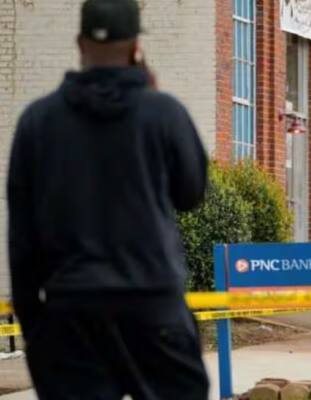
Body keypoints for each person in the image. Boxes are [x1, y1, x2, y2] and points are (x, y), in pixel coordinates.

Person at [7, 1, 209, 398]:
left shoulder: (38, 122)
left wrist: (37, 329)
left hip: (72, 309)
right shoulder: (163, 113)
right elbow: (191, 193)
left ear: (80, 43)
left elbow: (22, 241)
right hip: (152, 303)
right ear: (136, 45)